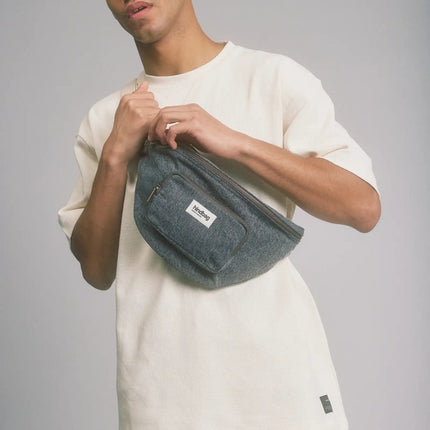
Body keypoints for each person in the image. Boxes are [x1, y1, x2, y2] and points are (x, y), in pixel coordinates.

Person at [58, 0, 381, 428]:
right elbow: (96, 271)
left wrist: (236, 143)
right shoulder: (106, 119)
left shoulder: (271, 78)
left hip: (282, 389)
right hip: (160, 398)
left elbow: (362, 207)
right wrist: (115, 154)